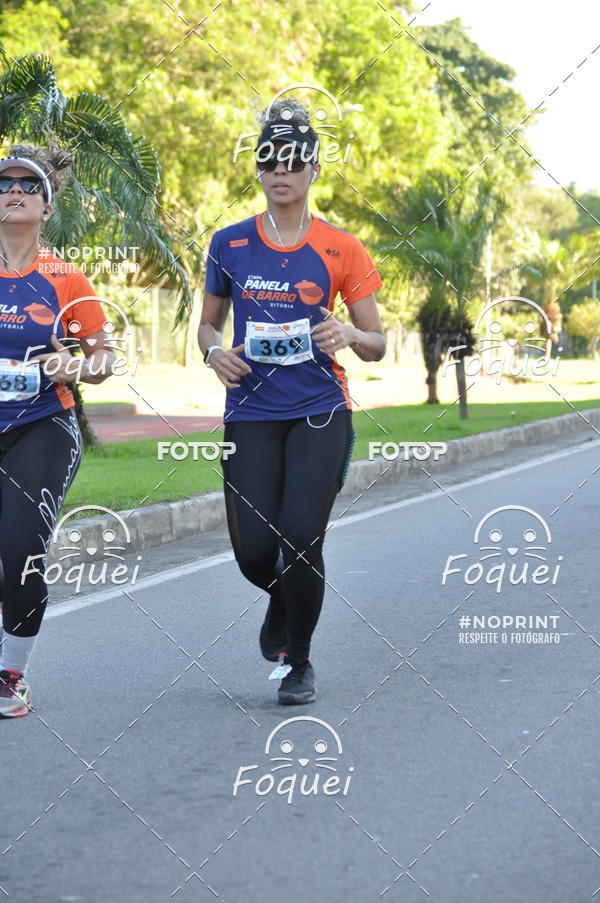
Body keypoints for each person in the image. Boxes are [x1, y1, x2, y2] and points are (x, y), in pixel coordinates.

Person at [198, 99, 385, 705]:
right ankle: (282, 596)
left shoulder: (342, 248)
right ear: (258, 169)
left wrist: (351, 335)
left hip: (319, 409)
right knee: (256, 551)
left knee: (301, 536)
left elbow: (377, 342)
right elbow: (207, 326)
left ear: (313, 169)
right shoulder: (228, 244)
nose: (282, 170)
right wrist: (212, 353)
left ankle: (298, 660)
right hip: (250, 411)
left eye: (294, 160)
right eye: (270, 160)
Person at [0, 143, 114, 718]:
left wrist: (72, 365)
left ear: (47, 206)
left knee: (20, 546)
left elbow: (104, 358)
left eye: (28, 186)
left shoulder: (65, 277)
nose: (14, 192)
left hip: (42, 426)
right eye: (4, 184)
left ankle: (10, 675)